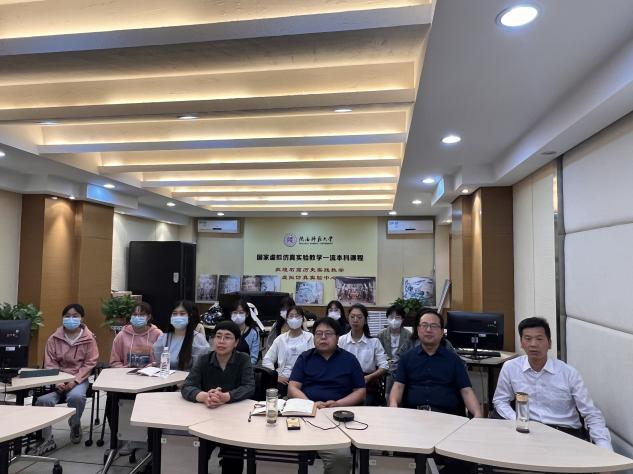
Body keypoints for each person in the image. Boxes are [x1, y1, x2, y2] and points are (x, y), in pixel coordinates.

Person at [493, 317, 612, 449]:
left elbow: (591, 414)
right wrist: (518, 420)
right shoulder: (510, 367)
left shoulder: (568, 373)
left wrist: (605, 448)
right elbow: (500, 400)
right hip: (528, 433)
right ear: (521, 343)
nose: (533, 344)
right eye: (528, 339)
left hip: (565, 435)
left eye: (539, 339)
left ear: (549, 343)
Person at [389, 309, 481, 474]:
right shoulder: (407, 358)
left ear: (441, 332)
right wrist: (393, 407)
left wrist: (478, 415)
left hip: (448, 420)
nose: (428, 330)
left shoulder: (453, 360)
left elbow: (466, 390)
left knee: (464, 461)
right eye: (424, 325)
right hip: (413, 419)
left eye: (433, 326)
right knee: (401, 460)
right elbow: (398, 386)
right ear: (418, 330)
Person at [289, 317, 365, 474]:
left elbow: (360, 391)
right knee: (274, 448)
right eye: (318, 334)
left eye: (328, 333)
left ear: (337, 337)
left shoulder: (349, 360)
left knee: (340, 457)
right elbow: (293, 387)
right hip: (306, 414)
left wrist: (338, 404)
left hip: (337, 417)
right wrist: (310, 404)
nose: (323, 337)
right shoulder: (305, 358)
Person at [181, 320, 255, 474]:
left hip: (234, 420)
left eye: (227, 337)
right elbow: (187, 386)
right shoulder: (204, 359)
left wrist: (226, 397)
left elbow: (249, 387)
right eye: (218, 336)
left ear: (236, 342)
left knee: (233, 458)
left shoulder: (243, 359)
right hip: (206, 418)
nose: (221, 341)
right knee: (196, 455)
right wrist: (204, 397)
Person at [33, 304, 99, 454]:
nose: (71, 319)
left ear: (82, 318)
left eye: (75, 316)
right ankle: (47, 438)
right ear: (62, 318)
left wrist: (75, 381)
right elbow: (50, 362)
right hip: (57, 379)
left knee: (76, 397)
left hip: (78, 378)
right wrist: (59, 381)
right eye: (67, 316)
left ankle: (75, 424)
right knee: (43, 400)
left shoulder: (89, 339)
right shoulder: (54, 338)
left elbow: (90, 363)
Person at [338, 303, 388, 406]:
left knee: (365, 404)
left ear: (365, 320)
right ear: (348, 319)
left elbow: (384, 366)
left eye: (359, 317)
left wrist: (369, 377)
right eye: (352, 317)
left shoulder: (374, 342)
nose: (355, 320)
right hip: (345, 383)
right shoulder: (341, 340)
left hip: (367, 384)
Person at [262, 305, 314, 396]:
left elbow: (315, 359)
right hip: (284, 379)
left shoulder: (310, 337)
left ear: (302, 319)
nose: (294, 319)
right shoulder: (280, 339)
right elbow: (267, 360)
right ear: (287, 319)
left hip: (305, 379)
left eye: (297, 316)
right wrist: (276, 376)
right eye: (291, 316)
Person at [153, 300, 210, 370]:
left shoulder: (198, 339)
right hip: (166, 376)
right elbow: (159, 363)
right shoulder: (163, 338)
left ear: (189, 316)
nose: (178, 317)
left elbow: (199, 369)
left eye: (182, 314)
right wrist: (154, 366)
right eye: (174, 314)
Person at [110, 301, 162, 368]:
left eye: (142, 315)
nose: (137, 317)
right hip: (126, 373)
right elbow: (114, 362)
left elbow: (162, 360)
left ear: (149, 317)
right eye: (135, 314)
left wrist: (154, 366)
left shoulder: (158, 334)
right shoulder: (121, 335)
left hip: (151, 373)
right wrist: (124, 369)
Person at [377, 304, 412, 400]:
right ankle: (387, 398)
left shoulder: (409, 335)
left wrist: (397, 363)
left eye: (397, 317)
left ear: (402, 319)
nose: (394, 320)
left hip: (402, 366)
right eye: (391, 317)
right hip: (386, 366)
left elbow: (409, 354)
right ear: (387, 318)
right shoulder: (381, 334)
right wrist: (389, 362)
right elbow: (380, 353)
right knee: (389, 373)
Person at [229, 298, 260, 365]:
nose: (238, 315)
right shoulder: (226, 330)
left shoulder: (253, 333)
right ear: (231, 314)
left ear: (247, 314)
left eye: (241, 313)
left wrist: (243, 368)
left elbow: (253, 358)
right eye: (235, 312)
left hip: (246, 367)